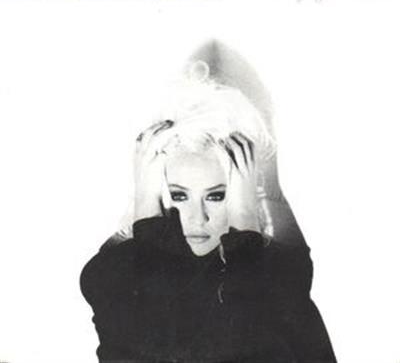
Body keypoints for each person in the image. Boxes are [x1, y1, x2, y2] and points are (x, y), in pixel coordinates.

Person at [80, 79, 337, 362]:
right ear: (158, 194)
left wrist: (244, 222)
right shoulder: (114, 274)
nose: (197, 217)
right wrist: (147, 213)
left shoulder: (279, 275)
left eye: (216, 196)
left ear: (240, 194)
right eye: (179, 195)